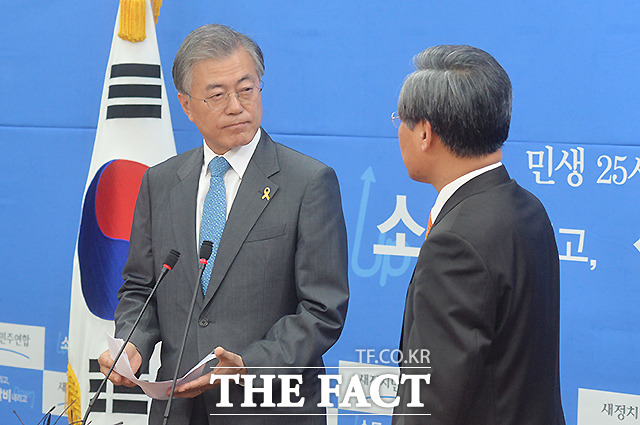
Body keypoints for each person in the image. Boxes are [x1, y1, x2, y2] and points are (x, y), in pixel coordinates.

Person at [97, 24, 349, 424]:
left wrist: (248, 364)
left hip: (267, 410)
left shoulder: (308, 182)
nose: (236, 106)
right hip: (178, 409)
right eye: (217, 95)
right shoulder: (160, 182)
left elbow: (322, 309)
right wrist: (133, 343)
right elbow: (142, 287)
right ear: (186, 104)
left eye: (246, 89)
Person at [391, 45, 565, 425]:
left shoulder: (455, 243)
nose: (398, 131)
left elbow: (433, 402)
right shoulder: (528, 209)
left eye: (401, 121)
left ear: (424, 133)